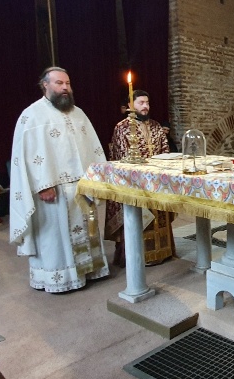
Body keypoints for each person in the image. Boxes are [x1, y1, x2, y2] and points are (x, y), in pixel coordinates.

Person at [9, 67, 109, 293]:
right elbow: (27, 156)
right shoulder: (32, 115)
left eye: (67, 83)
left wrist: (96, 179)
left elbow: (92, 148)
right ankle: (60, 279)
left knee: (87, 231)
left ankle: (89, 271)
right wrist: (43, 184)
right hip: (53, 189)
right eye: (59, 83)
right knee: (55, 237)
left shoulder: (78, 113)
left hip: (81, 187)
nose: (65, 88)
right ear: (45, 85)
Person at [104, 90, 174, 268]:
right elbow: (121, 156)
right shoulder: (122, 127)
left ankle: (163, 252)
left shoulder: (156, 126)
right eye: (141, 103)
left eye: (147, 103)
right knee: (138, 218)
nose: (145, 106)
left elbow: (165, 150)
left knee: (160, 215)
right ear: (130, 105)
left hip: (157, 182)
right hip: (135, 183)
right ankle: (138, 256)